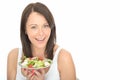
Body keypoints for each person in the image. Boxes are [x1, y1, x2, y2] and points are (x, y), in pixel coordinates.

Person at [7, 2, 76, 80]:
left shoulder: (64, 58)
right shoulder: (14, 56)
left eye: (45, 26)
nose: (41, 33)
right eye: (34, 27)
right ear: (25, 29)